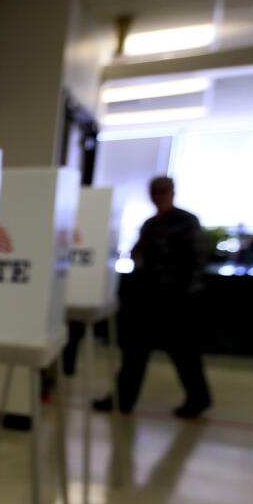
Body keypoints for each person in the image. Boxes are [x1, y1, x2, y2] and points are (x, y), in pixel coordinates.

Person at [95, 176, 213, 419]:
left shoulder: (186, 222)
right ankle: (123, 399)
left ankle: (198, 399)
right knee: (134, 353)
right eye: (155, 193)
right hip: (149, 300)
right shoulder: (150, 224)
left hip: (178, 301)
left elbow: (197, 261)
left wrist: (185, 296)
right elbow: (137, 254)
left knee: (185, 354)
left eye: (163, 192)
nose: (158, 197)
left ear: (172, 193)